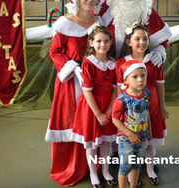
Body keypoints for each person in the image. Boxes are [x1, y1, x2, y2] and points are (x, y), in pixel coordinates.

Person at [44, 0, 106, 187]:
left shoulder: (101, 21)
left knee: (94, 122)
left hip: (95, 82)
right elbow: (54, 52)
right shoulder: (64, 23)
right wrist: (73, 67)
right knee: (71, 122)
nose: (89, 0)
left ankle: (96, 167)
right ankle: (71, 166)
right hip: (71, 82)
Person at [116, 23, 168, 186]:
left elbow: (160, 84)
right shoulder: (121, 63)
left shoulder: (154, 59)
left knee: (149, 140)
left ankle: (150, 168)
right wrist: (120, 110)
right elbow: (119, 89)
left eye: (145, 39)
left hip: (150, 106)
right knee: (130, 142)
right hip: (130, 109)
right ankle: (130, 174)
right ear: (128, 42)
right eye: (137, 39)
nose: (141, 42)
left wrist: (161, 107)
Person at [71, 25, 118, 188]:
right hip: (92, 109)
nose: (102, 44)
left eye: (106, 41)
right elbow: (87, 92)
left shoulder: (113, 63)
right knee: (92, 143)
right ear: (91, 43)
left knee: (105, 142)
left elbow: (115, 90)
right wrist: (98, 114)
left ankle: (105, 171)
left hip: (107, 108)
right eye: (98, 41)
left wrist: (109, 111)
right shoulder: (88, 64)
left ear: (111, 42)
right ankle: (93, 173)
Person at [98, 0, 171, 65]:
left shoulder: (146, 9)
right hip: (108, 64)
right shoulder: (106, 8)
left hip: (137, 67)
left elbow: (162, 37)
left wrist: (159, 51)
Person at [112, 60, 151, 188]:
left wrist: (148, 130)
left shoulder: (146, 93)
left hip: (142, 137)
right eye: (135, 76)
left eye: (142, 75)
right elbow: (115, 119)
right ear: (126, 80)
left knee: (137, 164)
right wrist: (130, 135)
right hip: (126, 139)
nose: (140, 79)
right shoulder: (122, 99)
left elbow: (146, 112)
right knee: (125, 166)